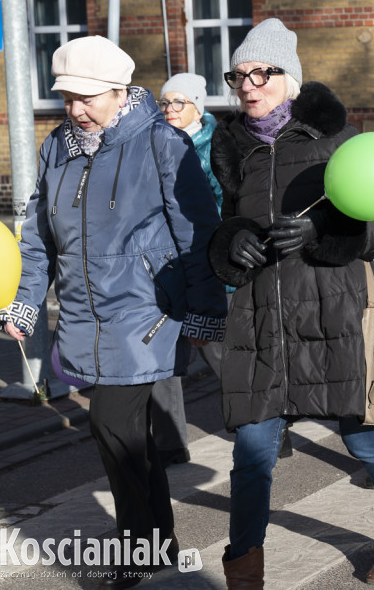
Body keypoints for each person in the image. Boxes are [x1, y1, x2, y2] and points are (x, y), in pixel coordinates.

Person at [0, 36, 227, 588]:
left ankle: (136, 549)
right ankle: (160, 543)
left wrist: (206, 308)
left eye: (87, 97)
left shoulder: (160, 142)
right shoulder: (57, 147)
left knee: (111, 425)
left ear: (119, 92)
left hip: (147, 310)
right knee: (130, 438)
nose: (75, 109)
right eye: (67, 98)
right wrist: (25, 303)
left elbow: (197, 233)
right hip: (84, 314)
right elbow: (38, 239)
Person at [206, 19, 374, 586]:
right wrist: (233, 242)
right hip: (261, 322)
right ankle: (244, 570)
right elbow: (226, 223)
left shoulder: (338, 141)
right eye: (238, 76)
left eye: (261, 73)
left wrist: (320, 232)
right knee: (251, 455)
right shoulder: (234, 151)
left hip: (331, 315)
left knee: (362, 438)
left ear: (291, 79)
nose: (248, 86)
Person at [149, 72, 220, 468]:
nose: (170, 110)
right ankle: (171, 443)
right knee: (164, 355)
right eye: (165, 103)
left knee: (217, 352)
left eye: (179, 102)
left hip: (206, 262)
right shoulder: (155, 144)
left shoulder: (214, 147)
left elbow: (221, 206)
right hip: (166, 264)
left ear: (198, 106)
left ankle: (263, 426)